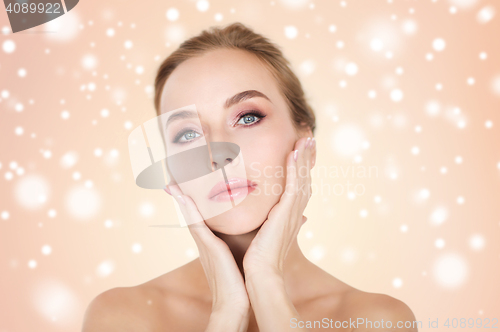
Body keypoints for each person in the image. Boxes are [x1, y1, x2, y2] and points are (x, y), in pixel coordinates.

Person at [82, 22, 418, 332]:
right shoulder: (123, 317)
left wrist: (266, 283)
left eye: (248, 117)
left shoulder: (377, 321)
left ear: (305, 141)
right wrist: (227, 312)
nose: (217, 153)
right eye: (187, 135)